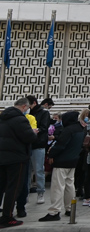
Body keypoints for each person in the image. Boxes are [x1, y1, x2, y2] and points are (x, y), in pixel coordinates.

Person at [39, 110, 84, 221]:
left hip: (62, 162)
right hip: (73, 161)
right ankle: (70, 208)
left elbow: (60, 145)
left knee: (57, 187)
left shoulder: (68, 130)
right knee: (70, 185)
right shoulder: (81, 129)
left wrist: (51, 154)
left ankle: (54, 211)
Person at [0, 97, 38, 228]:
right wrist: (34, 133)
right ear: (24, 107)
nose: (27, 110)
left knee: (1, 186)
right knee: (14, 187)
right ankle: (7, 217)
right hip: (17, 158)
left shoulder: (2, 117)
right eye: (27, 108)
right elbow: (29, 137)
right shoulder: (20, 119)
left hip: (2, 156)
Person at [26, 96, 52, 205]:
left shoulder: (44, 113)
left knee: (39, 170)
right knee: (27, 171)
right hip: (27, 144)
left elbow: (44, 127)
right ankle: (25, 193)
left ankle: (40, 192)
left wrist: (36, 131)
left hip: (38, 144)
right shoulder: (26, 114)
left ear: (34, 103)